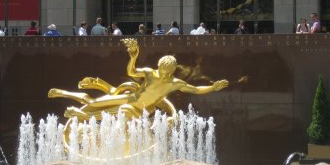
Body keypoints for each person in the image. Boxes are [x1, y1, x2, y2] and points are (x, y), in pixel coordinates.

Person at [48, 38, 229, 121]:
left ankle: (78, 115)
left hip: (141, 110)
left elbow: (196, 90)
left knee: (112, 116)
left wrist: (213, 87)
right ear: (159, 66)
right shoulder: (151, 73)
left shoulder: (175, 83)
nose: (163, 74)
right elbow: (132, 72)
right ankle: (64, 93)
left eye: (166, 72)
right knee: (94, 102)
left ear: (172, 71)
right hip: (131, 99)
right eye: (161, 70)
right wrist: (133, 56)